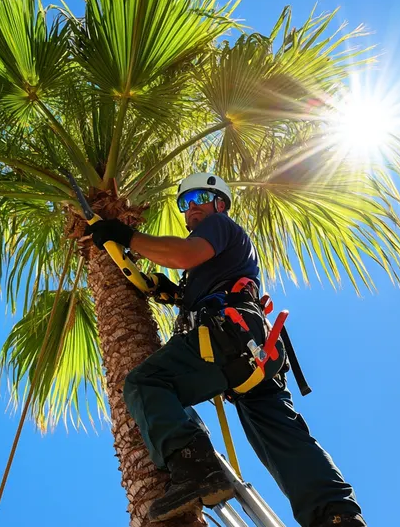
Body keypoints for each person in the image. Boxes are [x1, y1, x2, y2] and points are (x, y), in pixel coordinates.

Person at [85, 172, 365, 527]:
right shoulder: (216, 262)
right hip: (255, 353)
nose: (191, 211)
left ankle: (194, 467)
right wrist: (171, 291)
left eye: (198, 199)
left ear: (220, 203)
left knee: (146, 383)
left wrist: (126, 236)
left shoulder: (219, 226)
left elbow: (184, 254)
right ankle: (335, 515)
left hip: (228, 337)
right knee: (284, 439)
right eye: (184, 205)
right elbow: (199, 277)